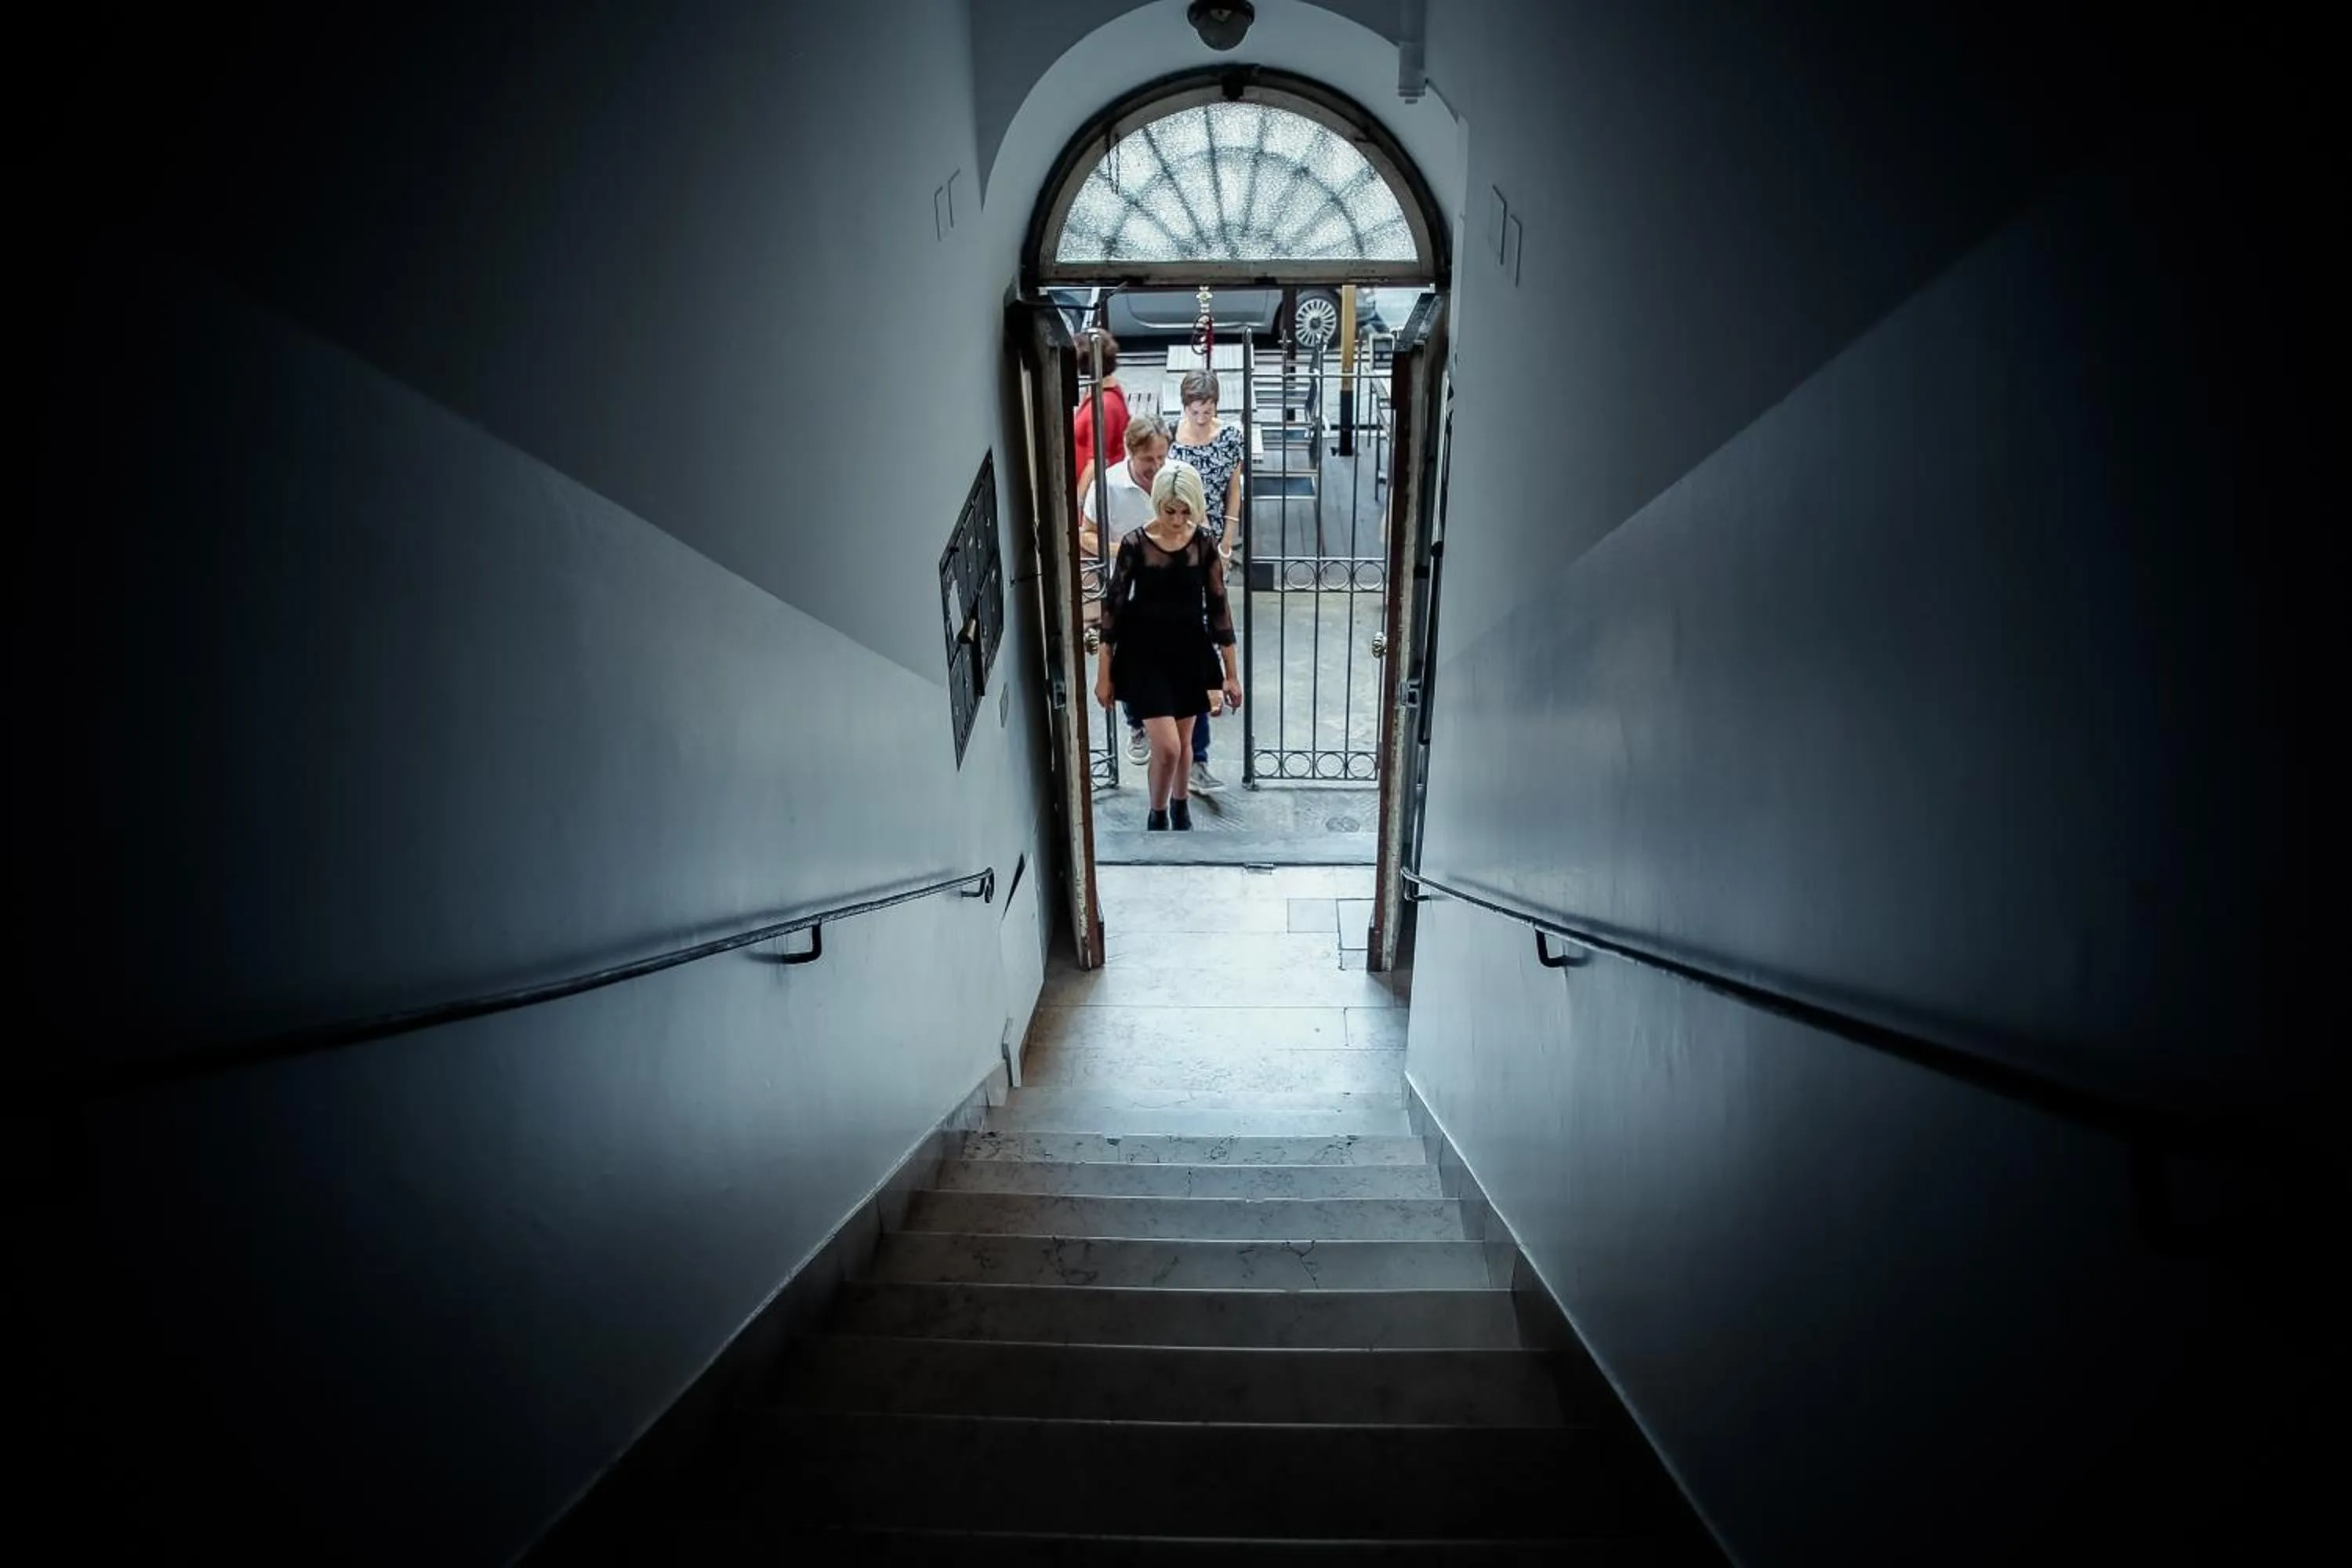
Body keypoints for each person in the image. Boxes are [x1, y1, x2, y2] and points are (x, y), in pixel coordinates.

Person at [1095, 461, 1243, 833]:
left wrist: (1231, 674)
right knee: (1168, 747)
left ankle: (1180, 808)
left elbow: (1219, 609)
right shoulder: (1135, 544)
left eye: (1184, 512)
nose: (1177, 520)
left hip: (1189, 652)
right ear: (1157, 504)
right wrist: (1104, 674)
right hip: (1143, 655)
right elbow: (1112, 612)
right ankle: (1157, 814)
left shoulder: (1204, 543)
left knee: (1185, 740)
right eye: (1169, 511)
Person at [1167, 368, 1247, 791]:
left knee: (1210, 626)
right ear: (1185, 408)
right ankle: (1191, 749)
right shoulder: (1170, 436)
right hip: (1179, 546)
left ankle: (1197, 751)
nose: (1201, 418)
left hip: (1213, 543)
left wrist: (1228, 540)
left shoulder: (1230, 436)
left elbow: (1234, 488)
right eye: (1195, 411)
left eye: (1207, 410)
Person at [1071, 328, 1129, 504]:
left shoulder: (1103, 405)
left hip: (1096, 496)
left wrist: (1078, 502)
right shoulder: (1103, 390)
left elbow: (1097, 461)